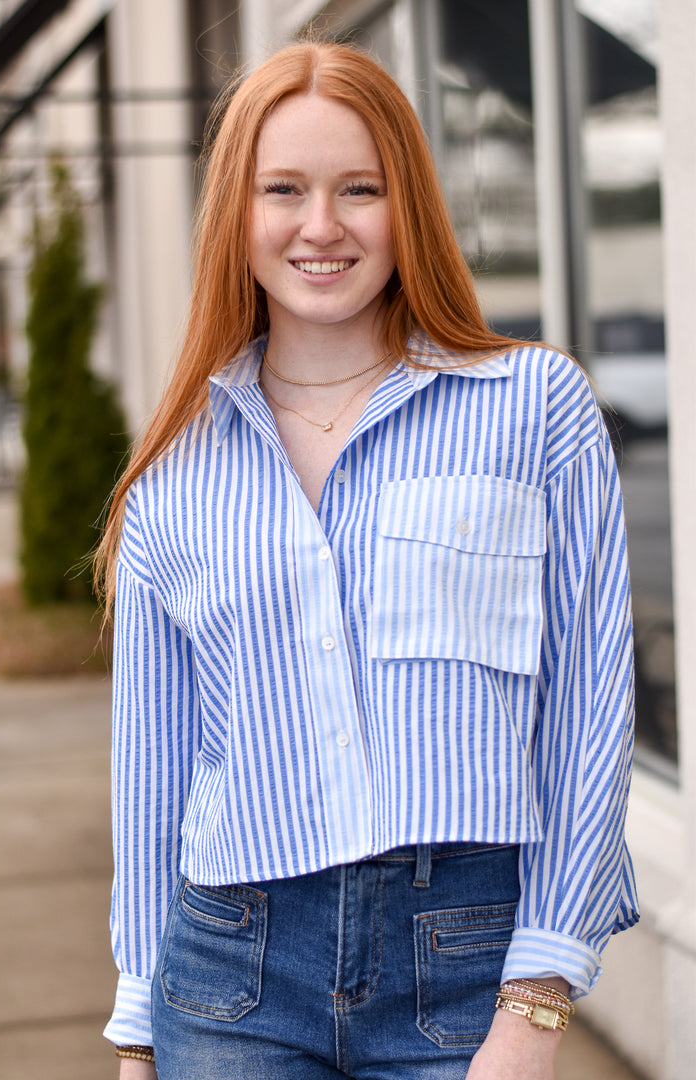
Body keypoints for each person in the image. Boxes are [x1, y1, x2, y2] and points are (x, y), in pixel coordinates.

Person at [96, 39, 638, 1080]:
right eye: (283, 189)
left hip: (466, 961)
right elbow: (154, 770)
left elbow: (586, 710)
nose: (321, 226)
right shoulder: (173, 472)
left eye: (359, 188)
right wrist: (136, 1027)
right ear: (235, 217)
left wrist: (540, 993)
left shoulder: (533, 411)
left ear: (410, 206)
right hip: (230, 974)